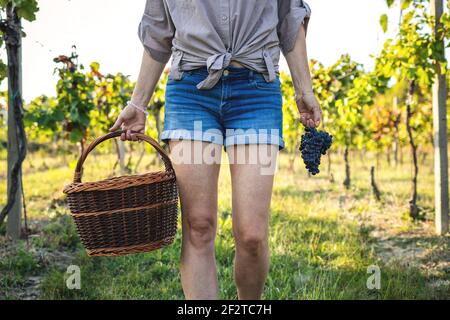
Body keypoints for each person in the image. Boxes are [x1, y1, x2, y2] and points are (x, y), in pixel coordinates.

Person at [110, 0, 322, 300]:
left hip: (256, 90)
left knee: (252, 235)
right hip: (190, 92)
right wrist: (138, 103)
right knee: (199, 226)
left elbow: (290, 19)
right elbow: (158, 32)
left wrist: (305, 90)